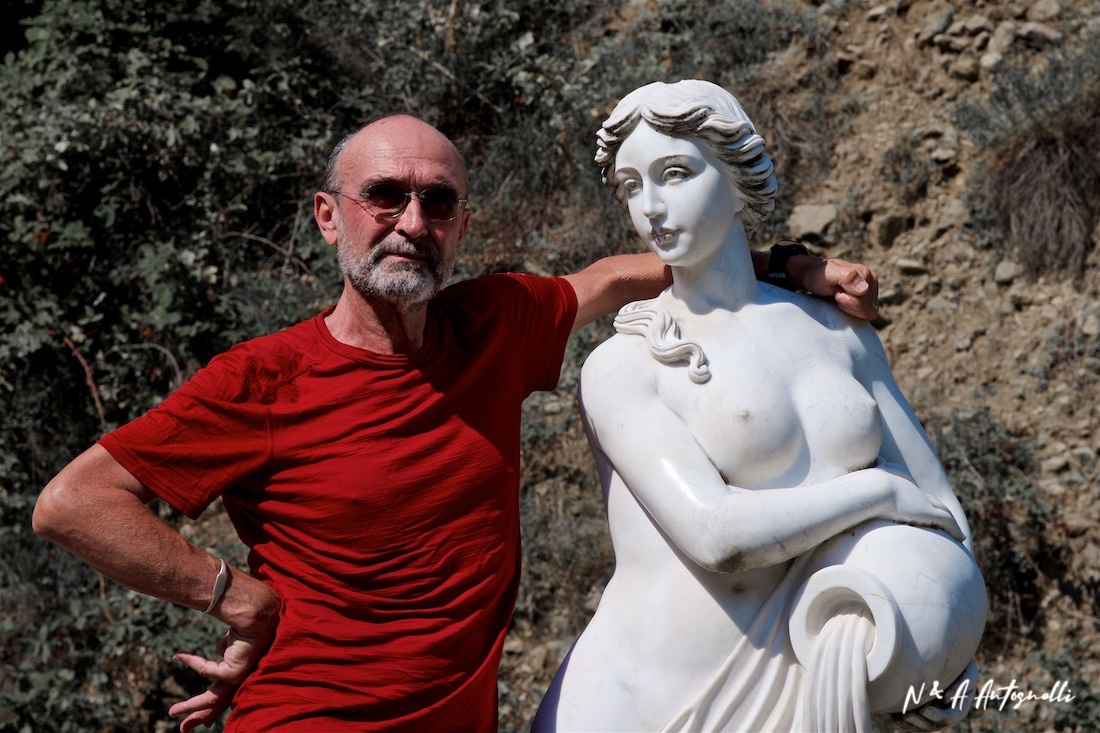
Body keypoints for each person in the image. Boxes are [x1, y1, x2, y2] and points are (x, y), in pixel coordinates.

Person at [32, 113, 882, 732]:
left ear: (462, 226)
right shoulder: (264, 380)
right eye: (384, 196)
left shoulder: (492, 322)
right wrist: (230, 594)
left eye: (437, 202)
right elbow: (73, 502)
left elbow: (616, 277)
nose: (412, 223)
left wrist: (787, 264)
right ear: (328, 215)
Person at [531, 81, 980, 732]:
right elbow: (719, 536)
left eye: (675, 174)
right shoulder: (624, 365)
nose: (650, 207)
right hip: (659, 703)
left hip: (820, 673)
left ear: (738, 177)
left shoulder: (839, 332)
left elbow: (935, 501)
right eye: (631, 186)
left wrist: (949, 634)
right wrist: (877, 491)